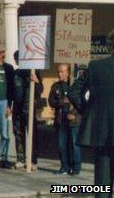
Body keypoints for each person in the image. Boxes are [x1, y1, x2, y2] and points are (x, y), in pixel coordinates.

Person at [69, 30, 114, 198]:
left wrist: (89, 112)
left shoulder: (95, 66)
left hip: (101, 132)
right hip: (102, 133)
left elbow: (73, 92)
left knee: (102, 186)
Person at [12, 51, 43, 171]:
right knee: (18, 133)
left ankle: (33, 160)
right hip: (17, 107)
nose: (17, 61)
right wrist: (9, 106)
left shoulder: (34, 72)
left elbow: (40, 90)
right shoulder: (15, 73)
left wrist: (36, 81)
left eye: (19, 58)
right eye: (16, 59)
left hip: (29, 107)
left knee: (32, 134)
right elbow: (11, 90)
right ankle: (20, 159)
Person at [49, 63, 81, 176]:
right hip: (61, 119)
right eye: (58, 71)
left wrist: (74, 114)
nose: (59, 74)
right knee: (62, 144)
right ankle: (64, 166)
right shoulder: (55, 86)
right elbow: (51, 101)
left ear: (68, 72)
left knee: (74, 145)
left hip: (73, 120)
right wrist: (62, 102)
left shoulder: (74, 85)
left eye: (62, 71)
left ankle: (76, 167)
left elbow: (81, 102)